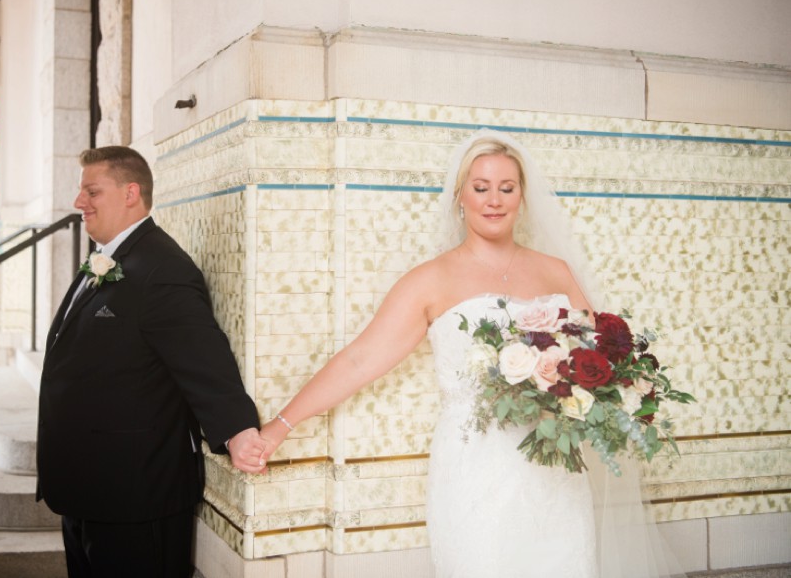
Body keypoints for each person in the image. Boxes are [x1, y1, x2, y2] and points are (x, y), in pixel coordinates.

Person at [254, 131, 685, 578]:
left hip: (553, 463)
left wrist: (625, 388)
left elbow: (598, 360)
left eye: (506, 188)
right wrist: (279, 427)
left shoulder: (555, 271)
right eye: (481, 188)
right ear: (460, 196)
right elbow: (360, 360)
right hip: (475, 463)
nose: (494, 200)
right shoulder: (429, 280)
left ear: (522, 196)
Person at [36, 146, 265, 578]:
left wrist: (237, 430)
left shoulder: (163, 268)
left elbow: (201, 357)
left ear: (130, 193)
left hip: (134, 496)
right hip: (87, 487)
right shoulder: (109, 257)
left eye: (92, 191)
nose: (78, 202)